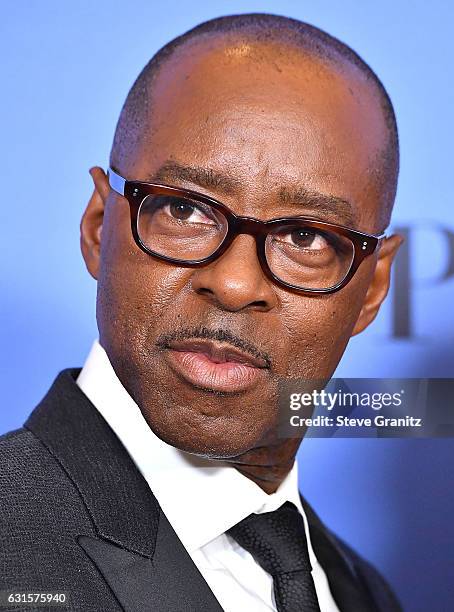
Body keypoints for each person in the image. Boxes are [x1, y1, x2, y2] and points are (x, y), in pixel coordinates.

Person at [0, 13, 404, 612]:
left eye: (306, 239)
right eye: (184, 212)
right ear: (96, 227)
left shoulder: (360, 592)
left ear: (371, 289)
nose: (236, 283)